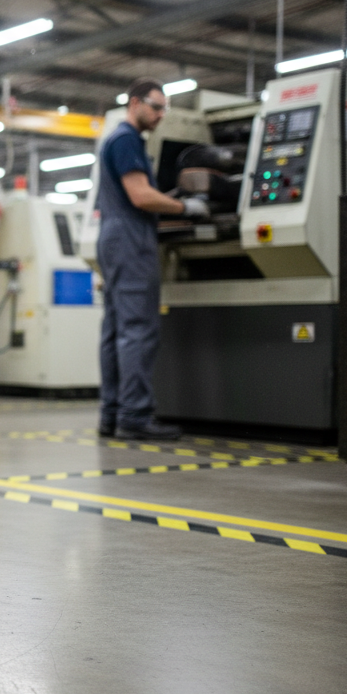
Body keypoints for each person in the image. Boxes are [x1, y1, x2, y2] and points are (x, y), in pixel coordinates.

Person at [96, 78, 209, 441]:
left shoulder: (115, 138)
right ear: (134, 103)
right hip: (130, 239)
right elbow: (141, 196)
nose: (161, 115)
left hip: (114, 238)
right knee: (138, 332)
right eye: (155, 107)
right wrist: (185, 206)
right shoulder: (128, 139)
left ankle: (112, 414)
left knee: (115, 331)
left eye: (164, 109)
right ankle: (135, 416)